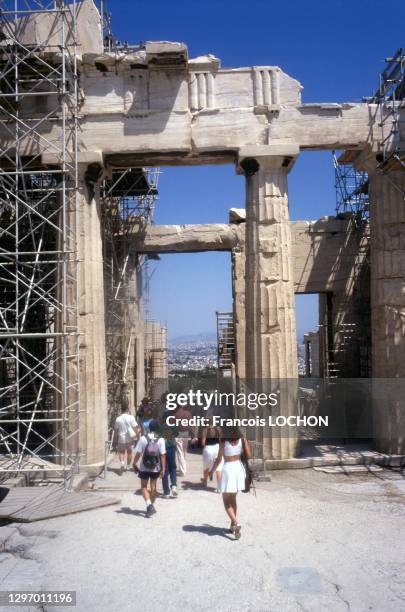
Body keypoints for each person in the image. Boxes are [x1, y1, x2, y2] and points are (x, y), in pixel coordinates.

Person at [209, 427, 252, 540]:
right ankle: (232, 525)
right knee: (233, 499)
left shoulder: (223, 441)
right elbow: (248, 455)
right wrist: (245, 440)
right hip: (238, 468)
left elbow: (218, 459)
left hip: (228, 469)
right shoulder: (242, 439)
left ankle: (236, 523)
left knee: (226, 501)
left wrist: (212, 471)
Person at [133, 420, 166, 517]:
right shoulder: (161, 440)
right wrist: (163, 469)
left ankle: (149, 505)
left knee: (143, 487)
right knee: (153, 487)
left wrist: (134, 463)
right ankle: (151, 505)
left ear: (149, 428)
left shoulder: (143, 438)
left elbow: (138, 453)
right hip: (155, 467)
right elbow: (163, 455)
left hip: (144, 467)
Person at [113, 403, 139, 473]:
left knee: (121, 452)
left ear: (121, 409)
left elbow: (116, 431)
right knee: (129, 452)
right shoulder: (131, 417)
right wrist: (137, 436)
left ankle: (122, 463)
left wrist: (115, 440)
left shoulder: (118, 419)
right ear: (127, 409)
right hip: (130, 438)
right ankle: (127, 466)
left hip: (121, 437)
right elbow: (135, 428)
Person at [158, 418, 179, 499]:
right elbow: (177, 434)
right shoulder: (173, 426)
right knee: (173, 467)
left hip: (163, 449)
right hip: (171, 448)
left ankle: (166, 492)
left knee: (164, 469)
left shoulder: (160, 427)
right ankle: (173, 486)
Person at [173, 404, 197, 476]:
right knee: (184, 452)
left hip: (178, 434)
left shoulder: (176, 414)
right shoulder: (188, 413)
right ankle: (183, 468)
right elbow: (192, 425)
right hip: (186, 434)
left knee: (180, 453)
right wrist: (194, 435)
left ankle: (183, 470)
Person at [200, 422, 223, 492]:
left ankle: (205, 481)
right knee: (218, 468)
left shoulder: (205, 430)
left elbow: (203, 443)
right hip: (217, 448)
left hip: (208, 449)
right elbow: (221, 440)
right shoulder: (219, 429)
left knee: (206, 466)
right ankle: (219, 487)